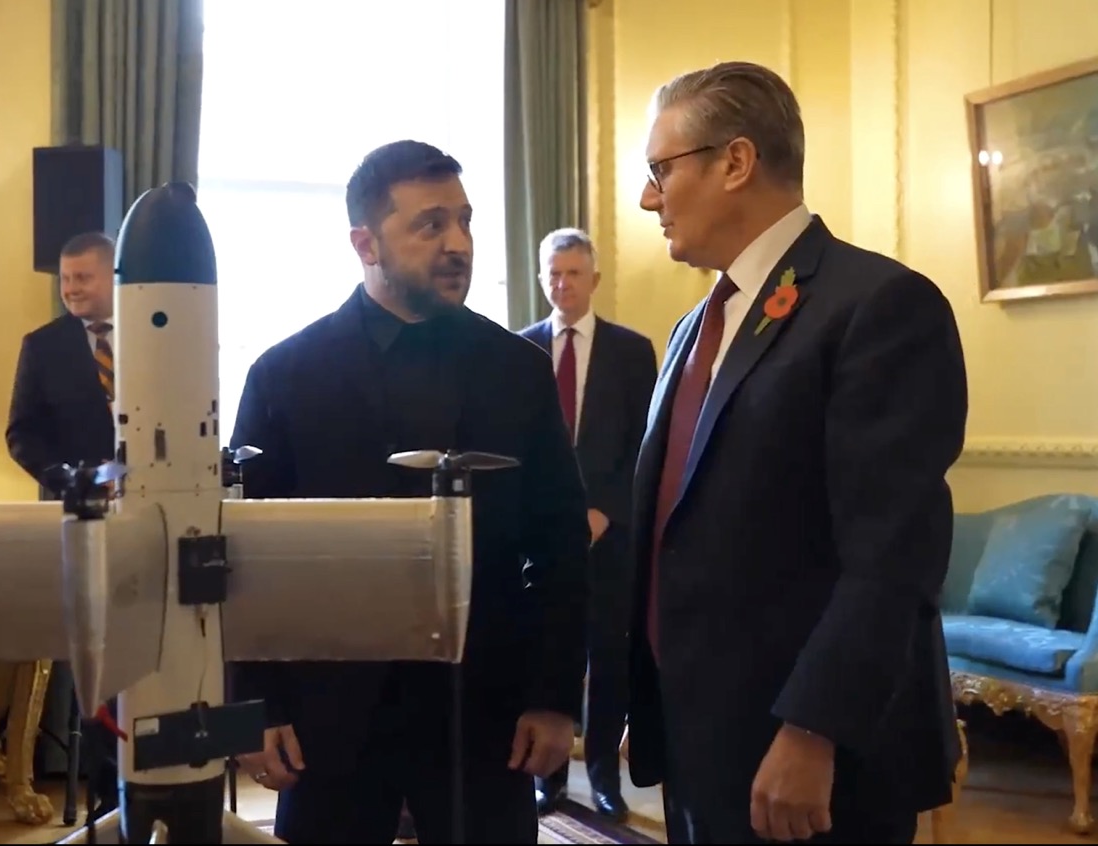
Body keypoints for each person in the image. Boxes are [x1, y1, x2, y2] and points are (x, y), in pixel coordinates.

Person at [626, 61, 968, 844]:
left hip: (809, 757)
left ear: (736, 162)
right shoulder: (692, 331)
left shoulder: (877, 306)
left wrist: (813, 731)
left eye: (660, 171)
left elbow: (893, 555)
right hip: (700, 738)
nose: (649, 198)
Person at [229, 139, 591, 844]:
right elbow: (246, 558)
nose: (458, 243)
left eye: (465, 220)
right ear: (365, 242)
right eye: (431, 225)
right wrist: (254, 703)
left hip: (484, 709)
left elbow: (560, 543)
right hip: (327, 715)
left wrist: (553, 697)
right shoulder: (285, 374)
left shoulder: (519, 370)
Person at [518, 227, 656, 821]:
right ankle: (547, 778)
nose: (562, 284)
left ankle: (604, 778)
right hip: (541, 541)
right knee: (551, 652)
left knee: (608, 658)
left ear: (594, 280)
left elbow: (643, 447)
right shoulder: (519, 349)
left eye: (573, 273)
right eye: (552, 273)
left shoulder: (632, 352)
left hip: (609, 535)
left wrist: (603, 512)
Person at [6, 230, 119, 816]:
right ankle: (105, 796)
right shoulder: (42, 346)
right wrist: (69, 476)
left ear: (112, 276)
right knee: (94, 661)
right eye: (65, 280)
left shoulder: (155, 334)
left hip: (147, 520)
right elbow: (20, 434)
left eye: (82, 278)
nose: (71, 289)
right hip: (78, 520)